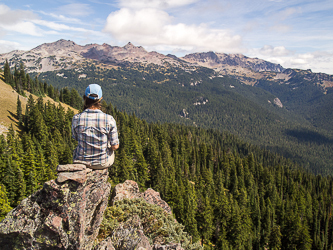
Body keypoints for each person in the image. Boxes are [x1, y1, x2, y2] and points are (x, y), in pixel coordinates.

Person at [71, 84, 119, 169]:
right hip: (101, 163)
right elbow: (115, 146)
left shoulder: (76, 118)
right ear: (100, 99)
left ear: (84, 98)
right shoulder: (109, 119)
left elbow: (75, 137)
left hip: (81, 161)